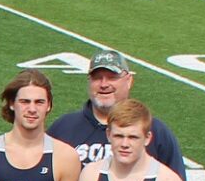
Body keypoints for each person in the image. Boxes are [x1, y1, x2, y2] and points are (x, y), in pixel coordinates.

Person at [50, 47, 184, 173]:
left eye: (112, 77)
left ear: (129, 81)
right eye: (97, 78)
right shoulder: (63, 128)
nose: (104, 84)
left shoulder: (155, 131)